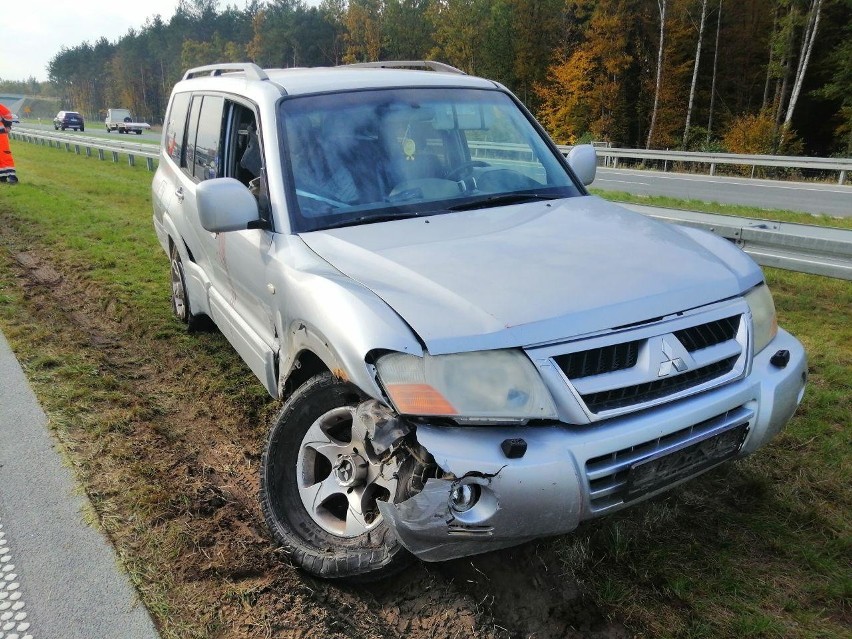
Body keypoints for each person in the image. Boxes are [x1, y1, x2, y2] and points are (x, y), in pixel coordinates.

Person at [0, 103, 18, 184]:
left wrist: (7, 126)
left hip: (1, 133)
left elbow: (7, 113)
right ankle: (2, 176)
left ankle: (12, 176)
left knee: (4, 153)